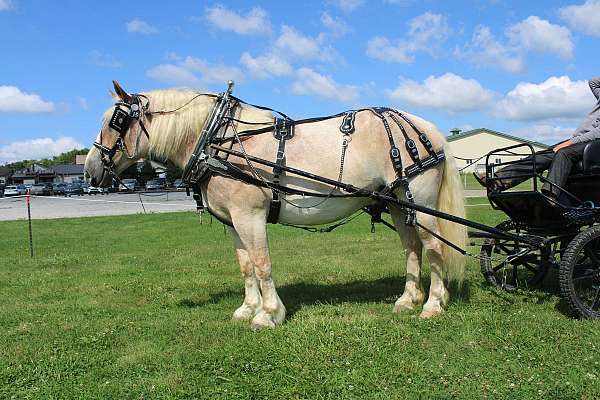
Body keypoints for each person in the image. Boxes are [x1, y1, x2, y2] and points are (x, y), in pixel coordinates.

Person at [475, 77, 600, 199]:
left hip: (595, 142)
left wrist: (569, 143)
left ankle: (550, 195)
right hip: (581, 140)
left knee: (563, 153)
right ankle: (499, 181)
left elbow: (596, 133)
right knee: (543, 155)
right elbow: (593, 82)